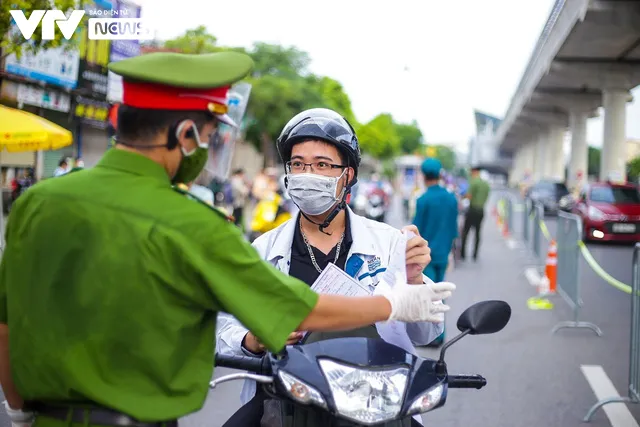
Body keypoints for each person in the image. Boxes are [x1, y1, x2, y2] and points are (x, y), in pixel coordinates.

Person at [0, 53, 454, 427]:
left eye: (323, 165)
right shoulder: (196, 225)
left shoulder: (37, 203)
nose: (309, 175)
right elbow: (287, 309)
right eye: (211, 137)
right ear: (185, 134)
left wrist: (18, 412)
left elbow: (7, 325)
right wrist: (393, 304)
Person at [217, 108, 455, 427]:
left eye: (322, 165)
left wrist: (412, 280)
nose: (307, 174)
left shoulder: (388, 243)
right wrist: (251, 340)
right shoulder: (263, 250)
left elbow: (427, 332)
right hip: (286, 398)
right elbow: (223, 325)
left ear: (349, 175)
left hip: (375, 398)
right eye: (298, 164)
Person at [412, 158, 459, 347]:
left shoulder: (423, 200)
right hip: (443, 252)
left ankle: (431, 337)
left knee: (428, 294)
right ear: (440, 175)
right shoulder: (451, 198)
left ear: (424, 176)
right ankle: (439, 335)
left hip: (425, 256)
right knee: (440, 293)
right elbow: (454, 229)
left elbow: (415, 230)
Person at [460, 165, 490, 261]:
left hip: (472, 210)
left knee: (466, 232)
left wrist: (462, 197)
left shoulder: (474, 182)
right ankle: (475, 255)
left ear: (474, 172)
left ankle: (463, 254)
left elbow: (468, 196)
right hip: (481, 210)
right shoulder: (486, 184)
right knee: (477, 232)